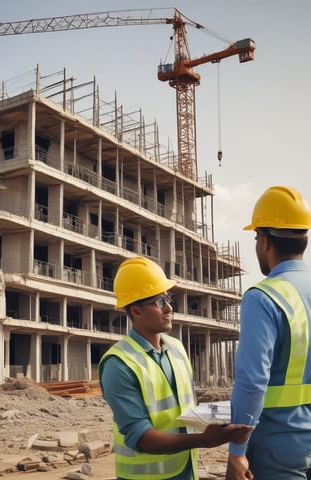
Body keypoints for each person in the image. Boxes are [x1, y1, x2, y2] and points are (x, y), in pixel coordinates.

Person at [99, 256, 253, 480]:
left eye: (167, 298)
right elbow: (139, 435)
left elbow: (184, 409)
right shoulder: (119, 364)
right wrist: (204, 440)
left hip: (186, 470)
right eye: (159, 301)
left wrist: (223, 417)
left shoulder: (177, 348)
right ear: (136, 311)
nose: (169, 307)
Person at [226, 185, 311, 480]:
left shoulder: (263, 298)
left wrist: (237, 454)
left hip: (279, 445)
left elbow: (252, 382)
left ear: (263, 241)